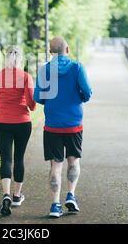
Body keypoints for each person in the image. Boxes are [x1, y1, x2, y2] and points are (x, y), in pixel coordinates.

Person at [34, 36, 92, 218]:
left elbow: (38, 97)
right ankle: (71, 196)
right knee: (73, 161)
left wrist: (51, 101)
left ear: (51, 52)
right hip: (74, 124)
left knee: (56, 166)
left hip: (52, 126)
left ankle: (55, 205)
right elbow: (87, 92)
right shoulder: (77, 67)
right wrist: (78, 99)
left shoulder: (44, 70)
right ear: (67, 49)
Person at [0, 46, 36, 216]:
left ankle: (6, 195)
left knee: (6, 160)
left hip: (2, 123)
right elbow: (31, 104)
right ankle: (17, 196)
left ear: (5, 58)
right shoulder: (26, 77)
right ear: (20, 59)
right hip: (22, 123)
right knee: (19, 158)